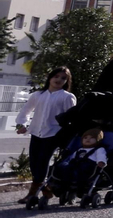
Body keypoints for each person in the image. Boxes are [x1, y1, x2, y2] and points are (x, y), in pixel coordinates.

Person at [14, 67, 76, 207]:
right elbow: (25, 111)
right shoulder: (38, 95)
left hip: (54, 134)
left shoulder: (67, 97)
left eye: (63, 78)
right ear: (50, 77)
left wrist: (67, 135)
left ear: (66, 81)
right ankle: (47, 189)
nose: (58, 80)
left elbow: (71, 117)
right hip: (36, 132)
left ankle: (32, 193)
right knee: (34, 163)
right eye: (56, 76)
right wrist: (21, 125)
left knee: (42, 161)